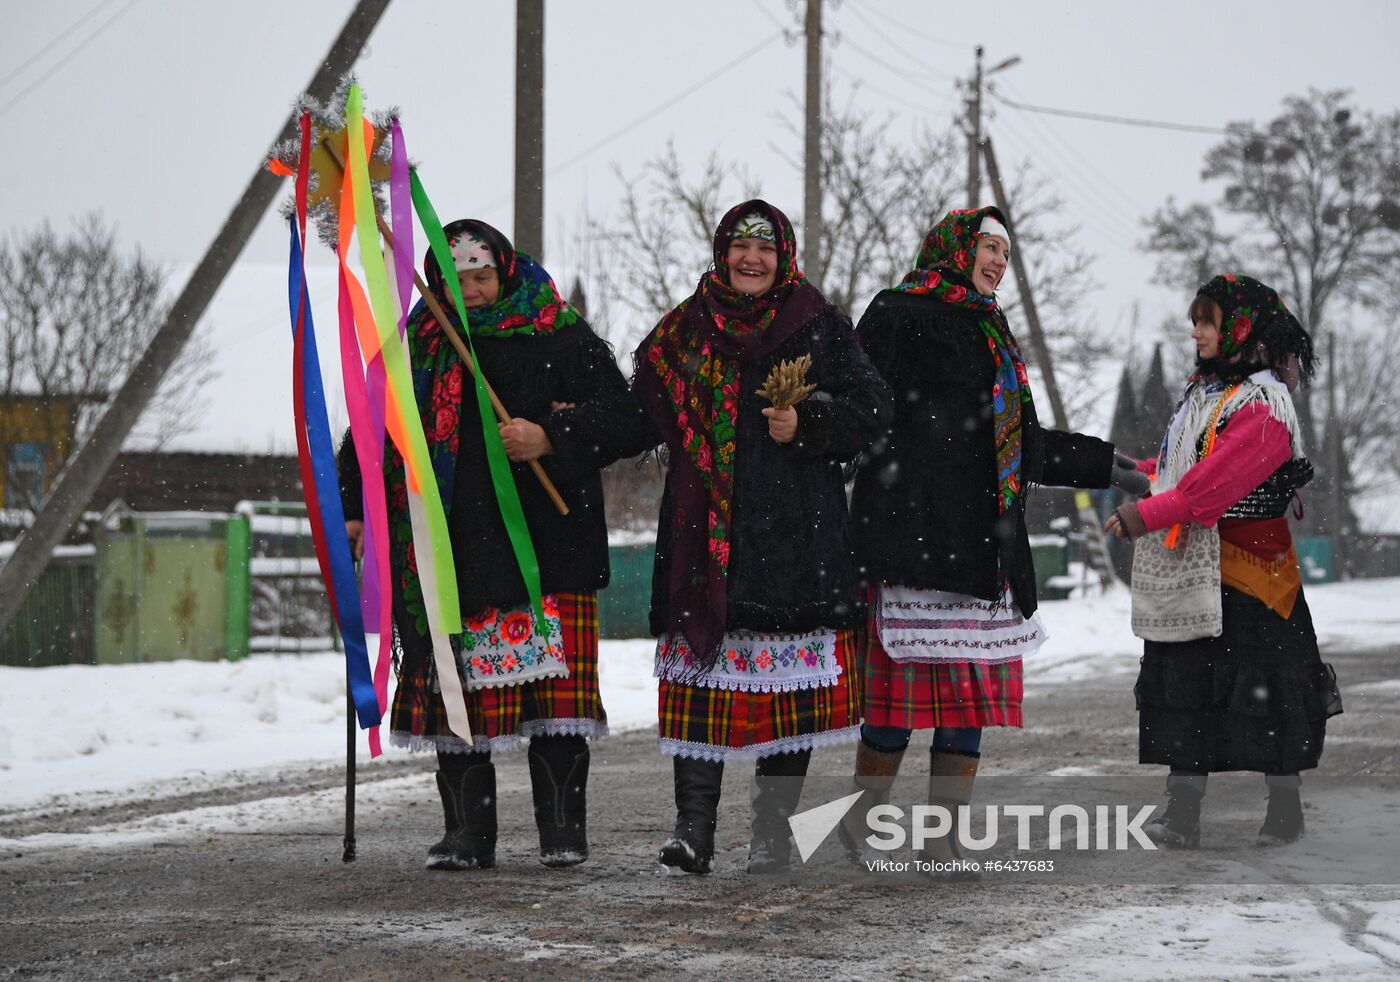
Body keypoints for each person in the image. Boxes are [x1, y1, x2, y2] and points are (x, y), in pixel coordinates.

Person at [338, 219, 649, 870]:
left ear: (503, 271)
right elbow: (367, 433)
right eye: (458, 281)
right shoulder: (418, 346)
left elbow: (626, 416)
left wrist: (551, 437)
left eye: (482, 277)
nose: (472, 292)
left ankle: (562, 831)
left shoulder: (554, 331)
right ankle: (467, 834)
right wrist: (353, 509)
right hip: (451, 548)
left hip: (549, 550)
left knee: (555, 708)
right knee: (457, 695)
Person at [843, 207, 1125, 872]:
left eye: (1004, 251)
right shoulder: (896, 312)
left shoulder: (993, 331)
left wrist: (1111, 466)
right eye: (987, 247)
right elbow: (855, 406)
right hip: (909, 542)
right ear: (955, 248)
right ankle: (861, 823)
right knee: (896, 703)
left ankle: (942, 840)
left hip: (980, 545)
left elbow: (1023, 443)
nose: (998, 260)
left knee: (964, 701)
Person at [632, 199, 891, 874]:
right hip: (702, 538)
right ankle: (693, 831)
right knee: (700, 682)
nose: (752, 260)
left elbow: (873, 407)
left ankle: (773, 833)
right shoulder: (684, 330)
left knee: (787, 695)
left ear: (783, 257)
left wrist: (810, 422)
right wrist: (560, 428)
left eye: (765, 250)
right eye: (741, 248)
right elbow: (638, 412)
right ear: (722, 254)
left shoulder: (816, 322)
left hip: (794, 537)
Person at [1105, 273, 1342, 848]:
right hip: (1202, 568)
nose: (1197, 331)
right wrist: (1129, 469)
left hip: (1256, 577)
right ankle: (1182, 811)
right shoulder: (1205, 397)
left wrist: (1145, 515)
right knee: (1192, 687)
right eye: (1196, 320)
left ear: (1243, 330)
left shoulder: (1265, 406)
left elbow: (1212, 487)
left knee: (1267, 691)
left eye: (1208, 320)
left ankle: (1285, 810)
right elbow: (1181, 472)